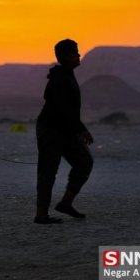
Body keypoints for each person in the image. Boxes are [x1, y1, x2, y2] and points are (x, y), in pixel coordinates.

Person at [34, 38, 94, 224]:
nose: (79, 55)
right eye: (75, 52)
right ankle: (41, 215)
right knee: (48, 171)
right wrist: (81, 129)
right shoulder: (60, 78)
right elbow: (63, 108)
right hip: (51, 130)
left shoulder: (66, 74)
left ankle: (66, 203)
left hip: (66, 130)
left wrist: (78, 128)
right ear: (66, 56)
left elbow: (68, 111)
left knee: (84, 162)